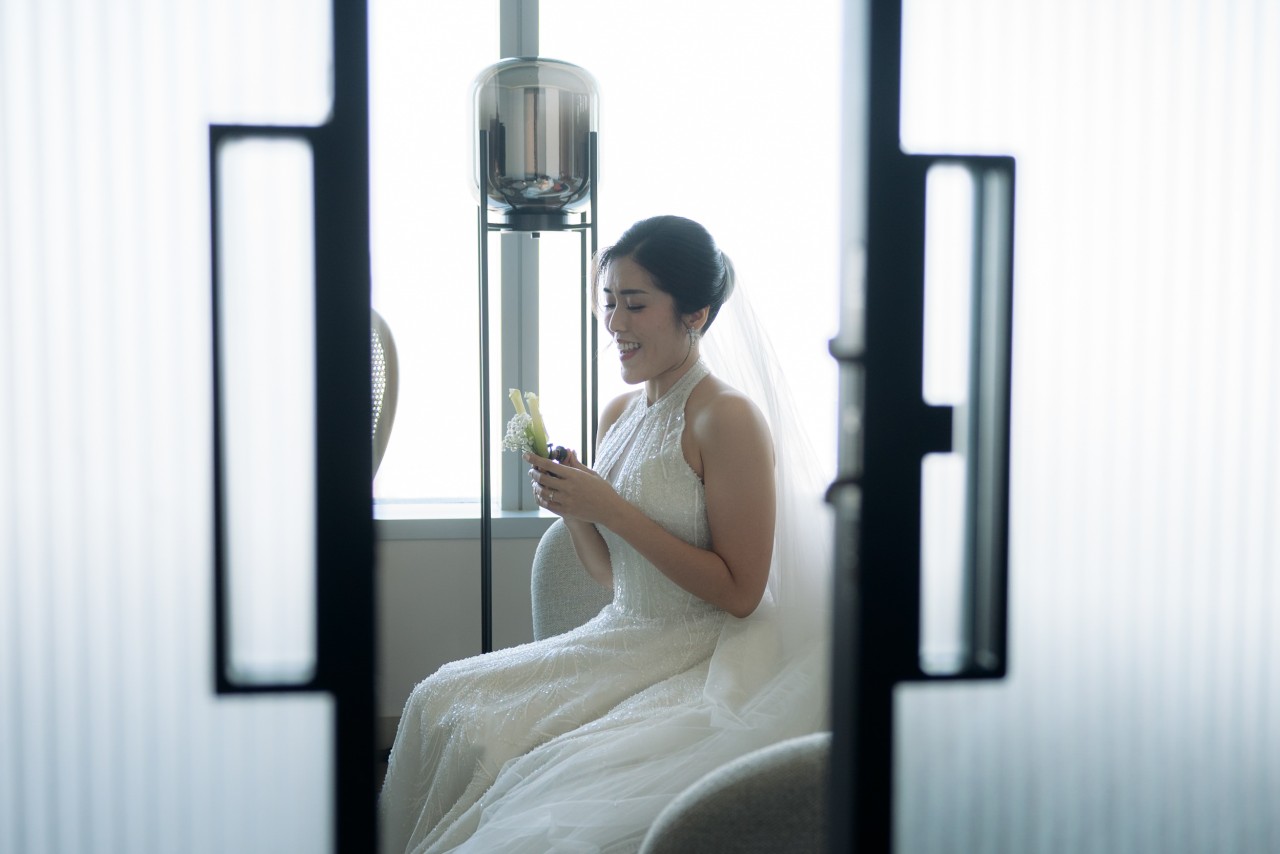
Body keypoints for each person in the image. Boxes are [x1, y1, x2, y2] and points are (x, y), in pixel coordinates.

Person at [379, 215, 830, 853]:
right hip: (620, 633)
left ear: (696, 314)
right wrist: (574, 506)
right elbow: (611, 574)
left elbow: (741, 592)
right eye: (609, 301)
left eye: (635, 304)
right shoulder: (619, 411)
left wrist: (612, 509)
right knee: (438, 699)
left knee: (525, 762)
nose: (615, 322)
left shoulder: (726, 417)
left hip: (702, 651)